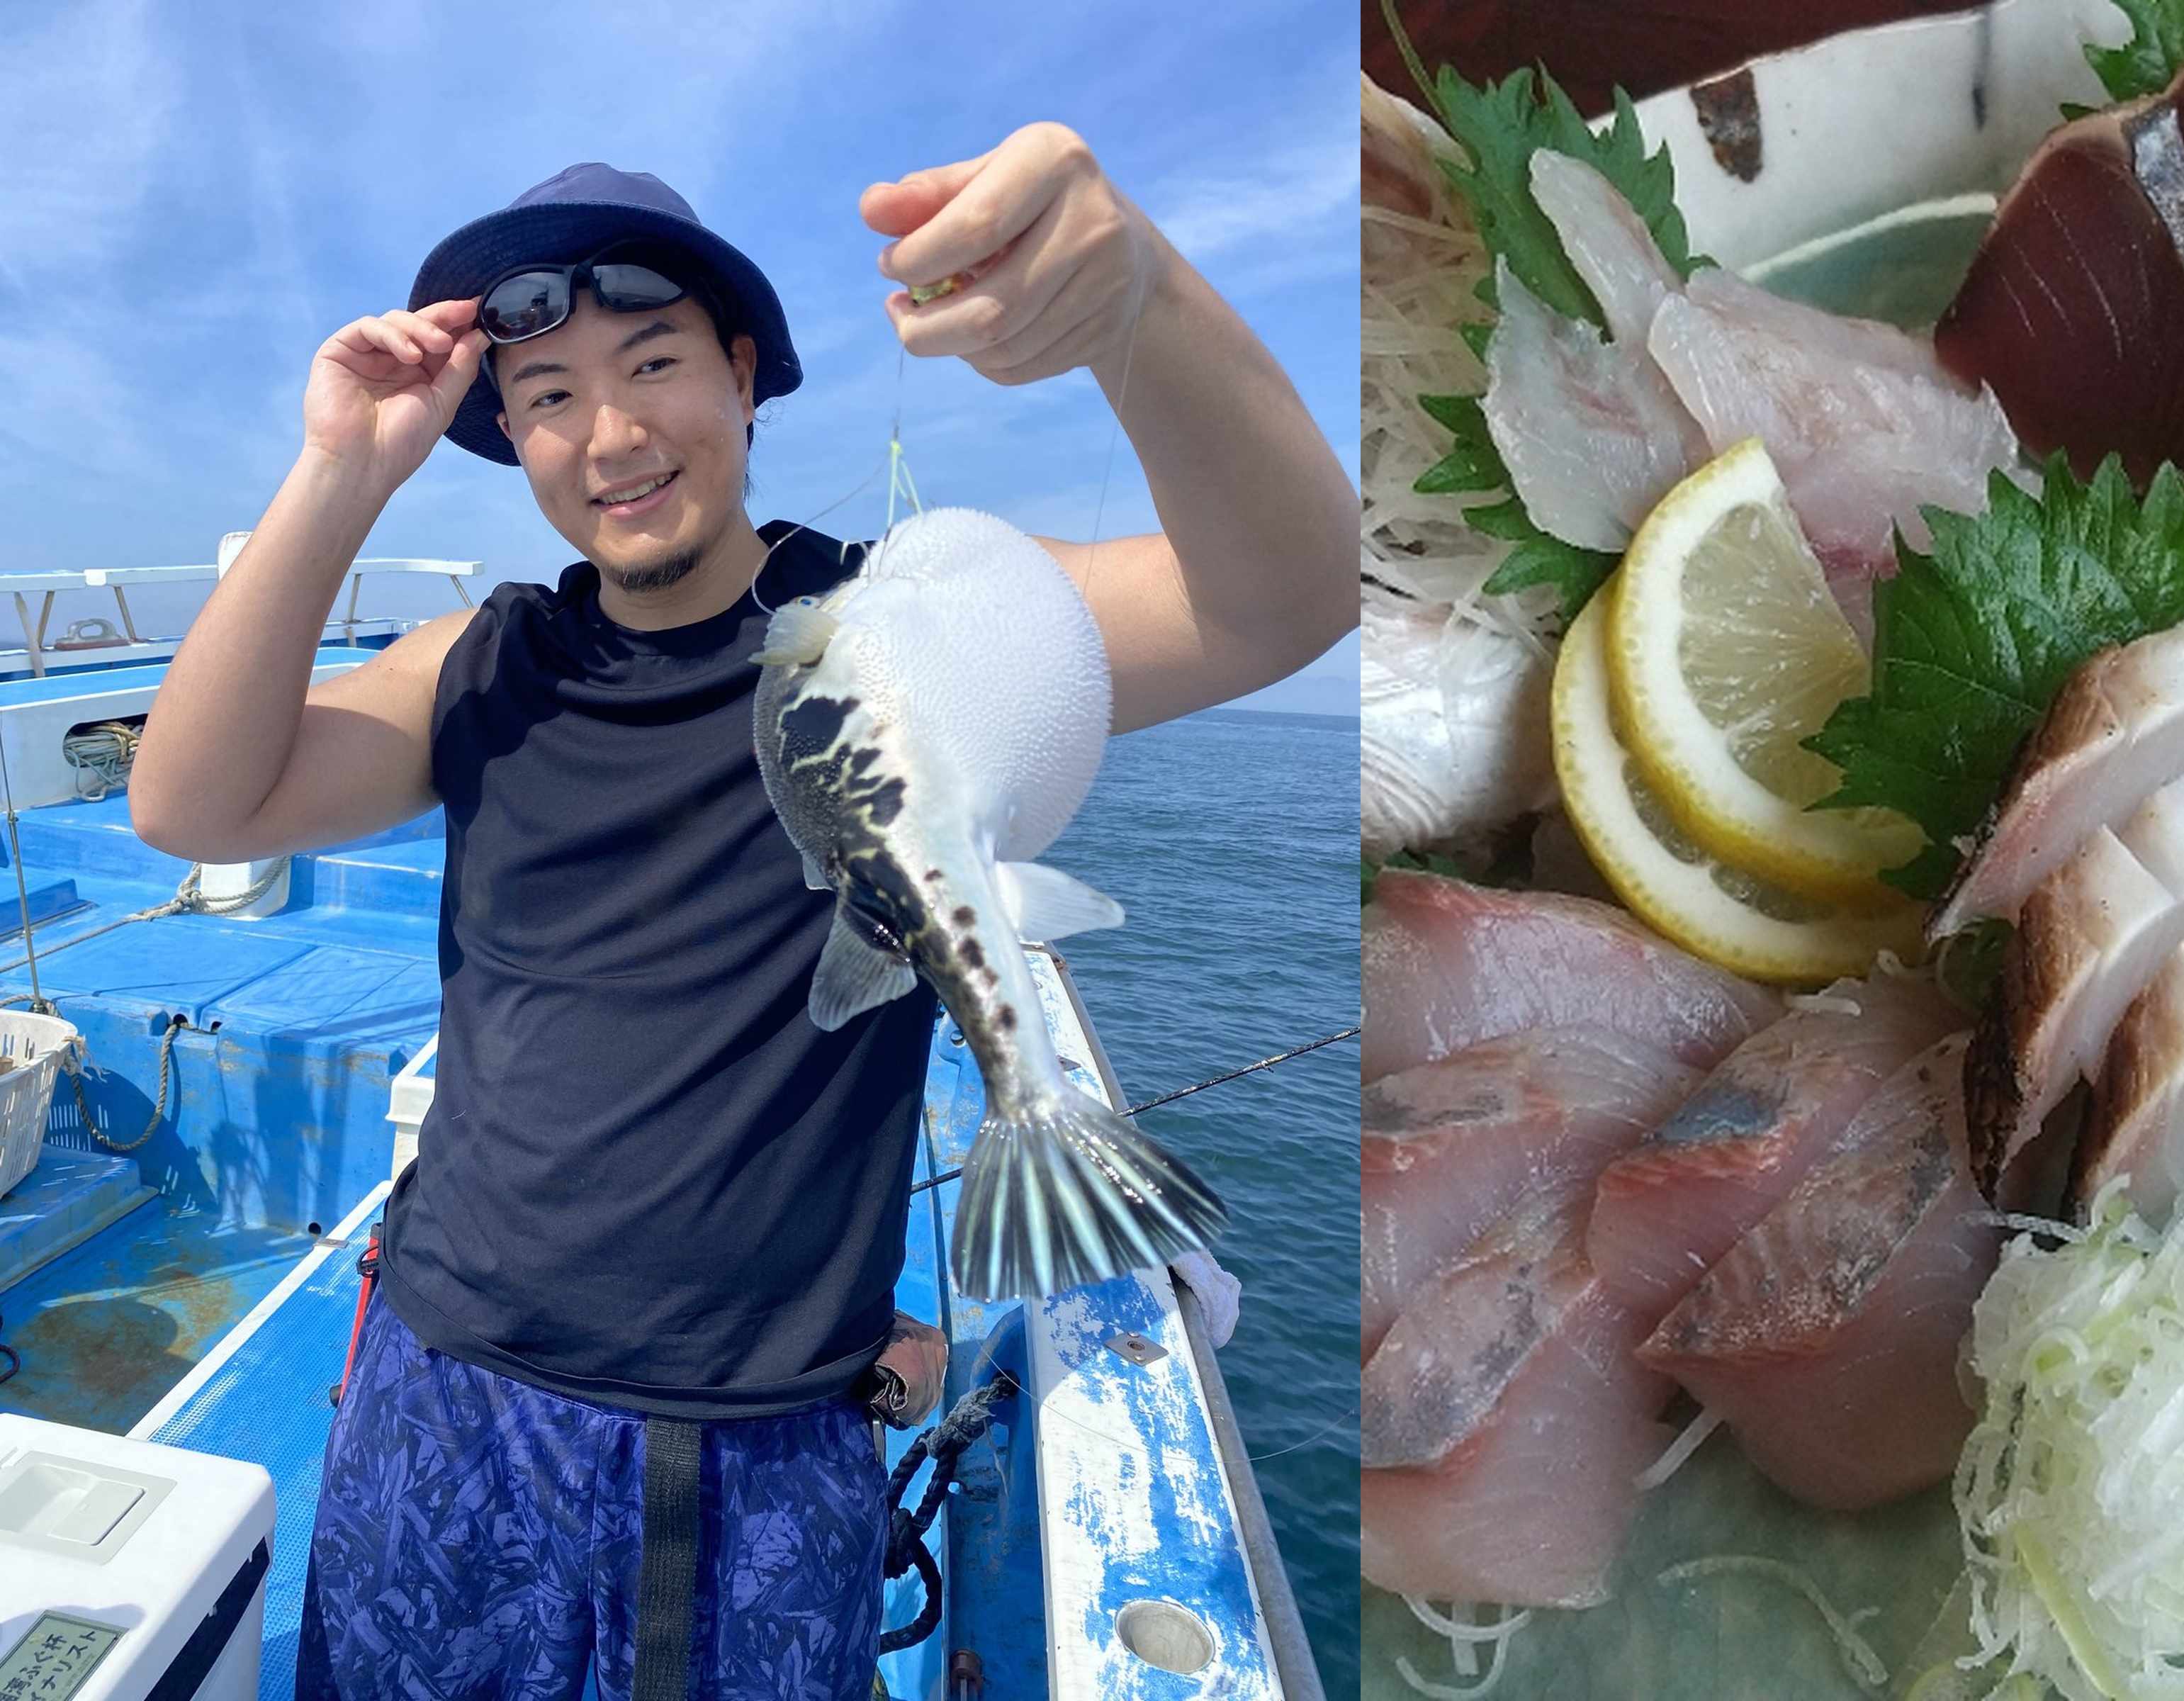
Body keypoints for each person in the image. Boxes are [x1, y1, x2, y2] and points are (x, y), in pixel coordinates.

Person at [128, 125, 1354, 1701]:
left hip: (758, 1446)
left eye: (654, 365)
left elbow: (1281, 600)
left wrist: (1142, 312)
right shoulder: (483, 667)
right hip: (442, 1387)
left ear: (747, 374)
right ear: (511, 436)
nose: (612, 433)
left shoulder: (908, 636)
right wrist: (342, 472)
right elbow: (192, 806)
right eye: (548, 397)